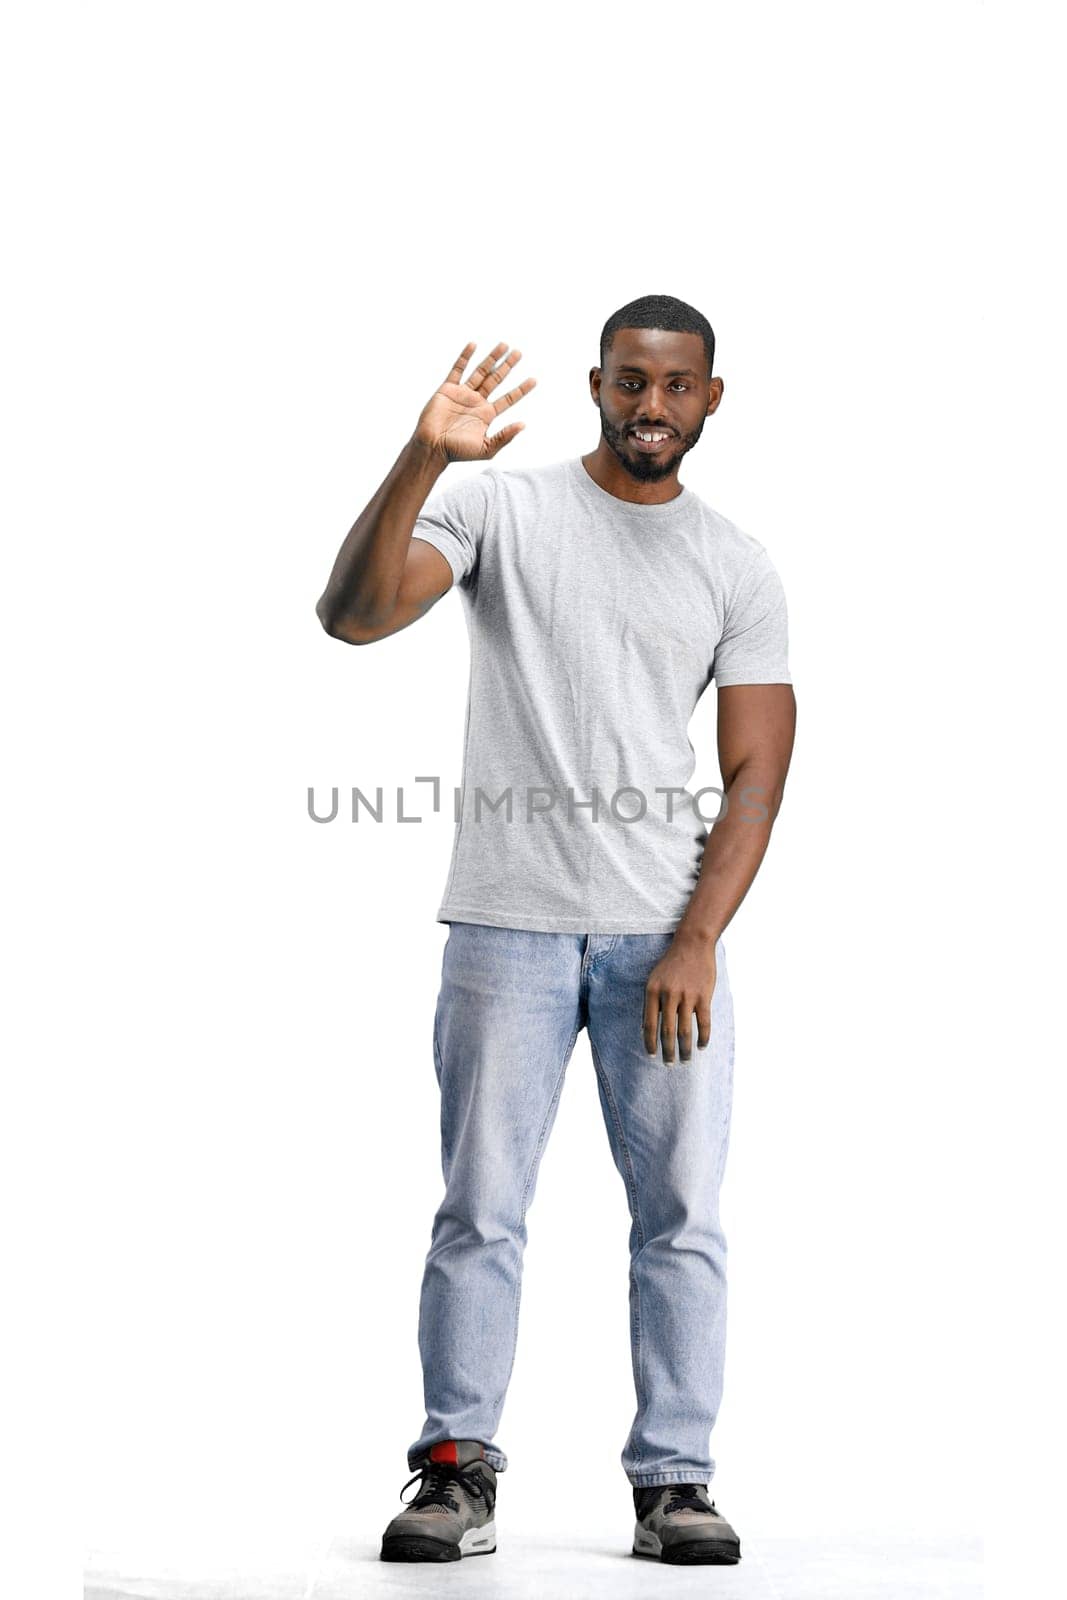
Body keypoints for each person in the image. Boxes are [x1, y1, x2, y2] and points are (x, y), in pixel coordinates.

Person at [316, 294, 796, 1566]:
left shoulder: (734, 563)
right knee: (478, 1207)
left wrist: (695, 938)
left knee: (679, 1216)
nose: (651, 406)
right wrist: (425, 453)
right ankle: (452, 1469)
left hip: (661, 941)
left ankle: (675, 1481)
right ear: (596, 383)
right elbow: (353, 614)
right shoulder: (500, 508)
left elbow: (754, 772)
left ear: (709, 397)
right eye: (629, 381)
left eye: (675, 386)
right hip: (505, 931)